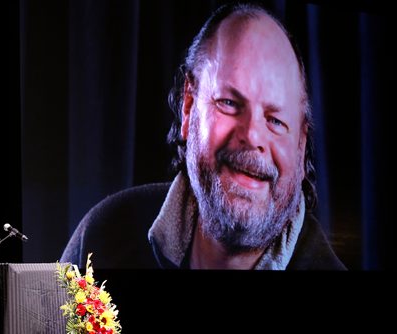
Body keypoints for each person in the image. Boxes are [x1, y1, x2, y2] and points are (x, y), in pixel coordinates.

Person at [60, 3, 346, 270]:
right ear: (188, 107)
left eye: (275, 120)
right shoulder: (101, 239)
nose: (252, 135)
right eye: (229, 103)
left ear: (300, 144)